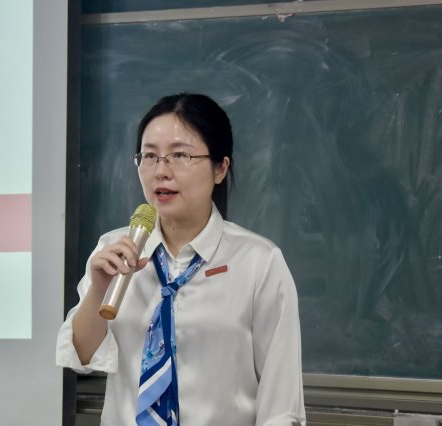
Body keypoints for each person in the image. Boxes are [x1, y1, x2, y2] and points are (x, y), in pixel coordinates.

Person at [56, 93, 306, 426]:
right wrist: (98, 290)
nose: (161, 171)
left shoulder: (259, 262)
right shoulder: (115, 249)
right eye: (149, 156)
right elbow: (82, 356)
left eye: (180, 155)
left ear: (220, 168)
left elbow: (281, 403)